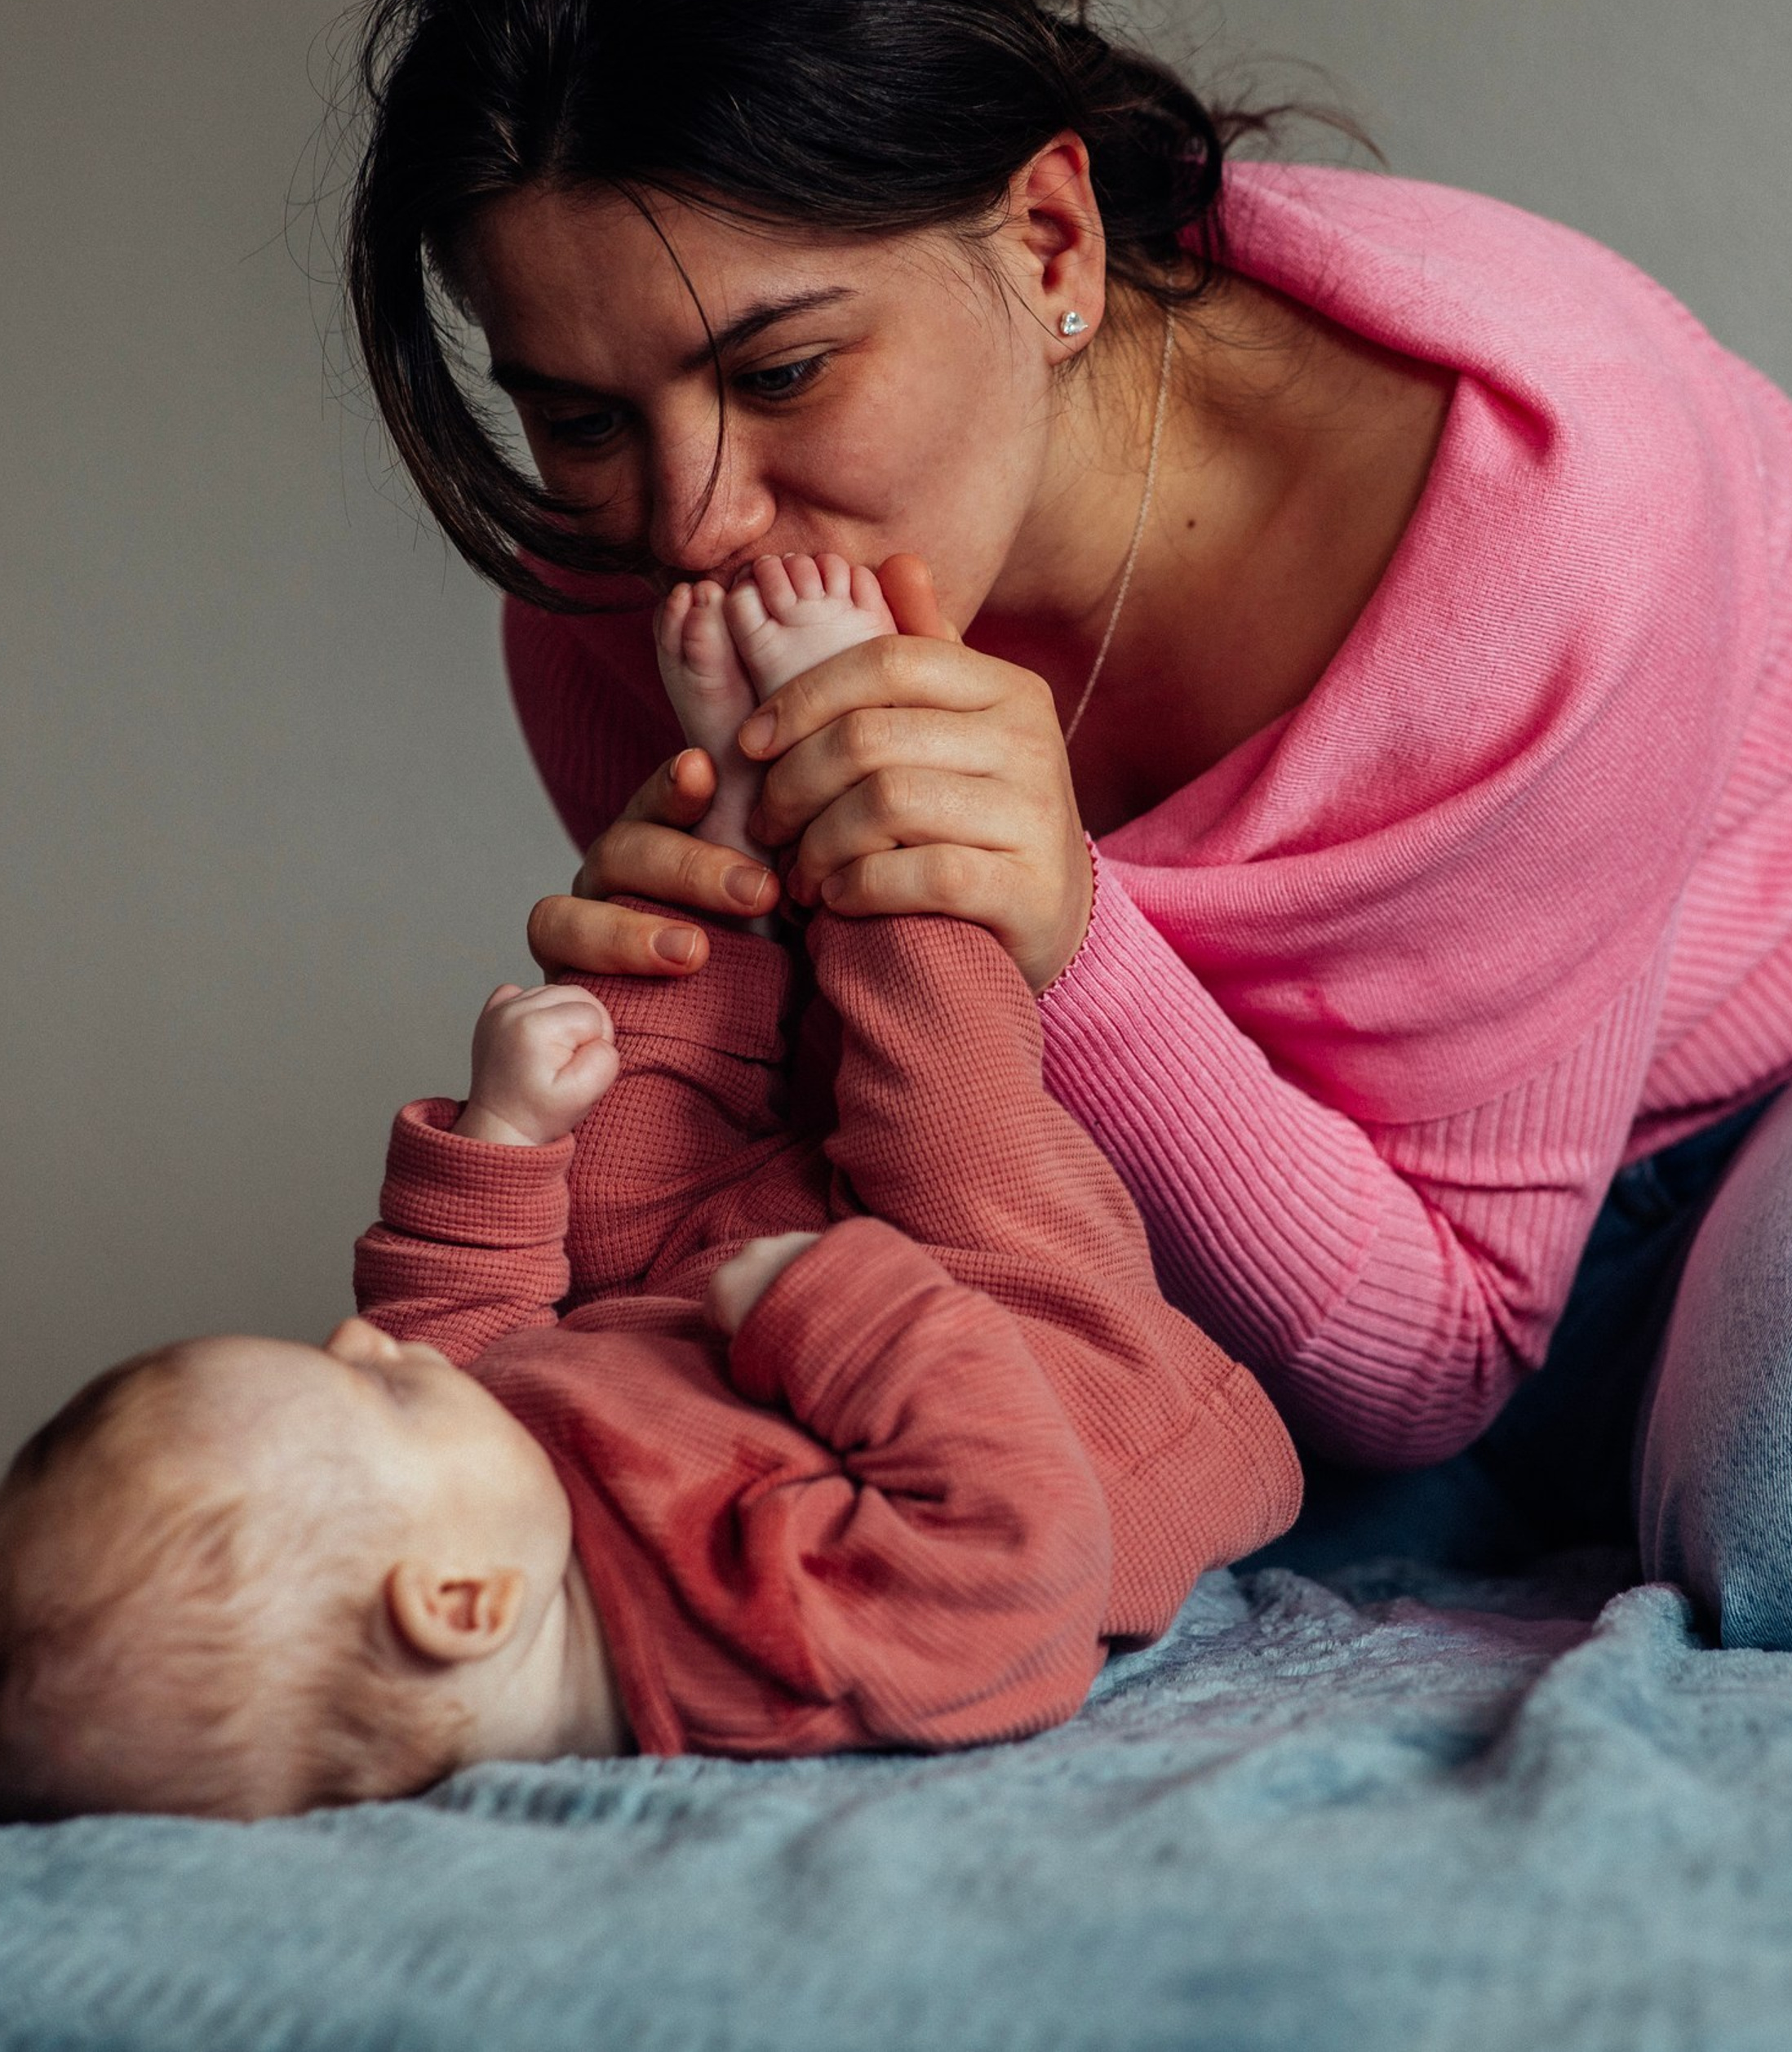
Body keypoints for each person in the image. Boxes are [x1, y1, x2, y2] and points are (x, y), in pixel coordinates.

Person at [342, 0, 1792, 1657]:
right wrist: (694, 995)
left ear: (1048, 243)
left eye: (780, 373)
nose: (692, 521)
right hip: (1231, 1278)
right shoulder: (608, 604)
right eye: (578, 419)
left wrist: (1069, 936)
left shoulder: (1546, 484)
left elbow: (1444, 1348)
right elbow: (860, 1175)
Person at [0, 555, 1298, 1821]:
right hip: (1045, 1367)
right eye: (368, 1391)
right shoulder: (774, 1649)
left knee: (608, 1184)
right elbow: (1020, 1567)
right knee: (945, 1123)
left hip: (734, 1306)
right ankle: (877, 815)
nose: (356, 1339)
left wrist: (506, 1136)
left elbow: (458, 1326)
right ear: (461, 1606)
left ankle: (727, 858)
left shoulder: (492, 1507)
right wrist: (835, 1310)